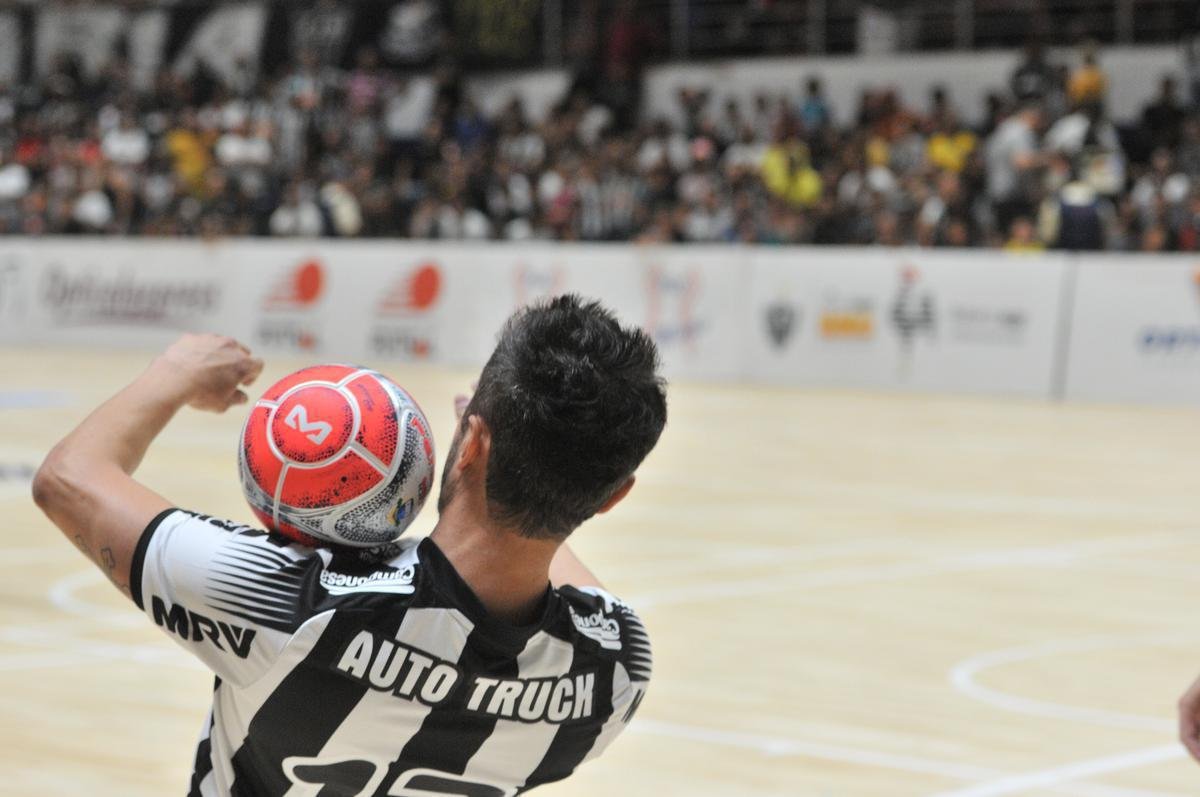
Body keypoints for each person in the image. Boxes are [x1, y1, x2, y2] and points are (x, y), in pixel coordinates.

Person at [31, 295, 666, 796]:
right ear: (615, 497)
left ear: (469, 444)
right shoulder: (613, 677)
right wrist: (507, 450)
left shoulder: (292, 604)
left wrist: (176, 373)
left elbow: (69, 479)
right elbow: (568, 570)